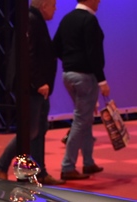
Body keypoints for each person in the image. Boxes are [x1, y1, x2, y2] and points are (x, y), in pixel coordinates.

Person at [0, 0, 64, 186]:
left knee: (38, 130)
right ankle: (0, 165)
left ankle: (39, 172)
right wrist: (38, 82)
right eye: (53, 5)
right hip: (32, 87)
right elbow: (28, 55)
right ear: (44, 5)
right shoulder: (32, 20)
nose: (55, 9)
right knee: (29, 131)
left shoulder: (34, 20)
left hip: (37, 86)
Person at [53, 0, 109, 181]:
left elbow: (56, 47)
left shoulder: (67, 18)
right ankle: (67, 166)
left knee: (85, 118)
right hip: (85, 76)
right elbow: (94, 53)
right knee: (81, 119)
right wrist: (102, 80)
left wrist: (70, 61)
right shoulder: (89, 20)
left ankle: (88, 161)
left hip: (68, 74)